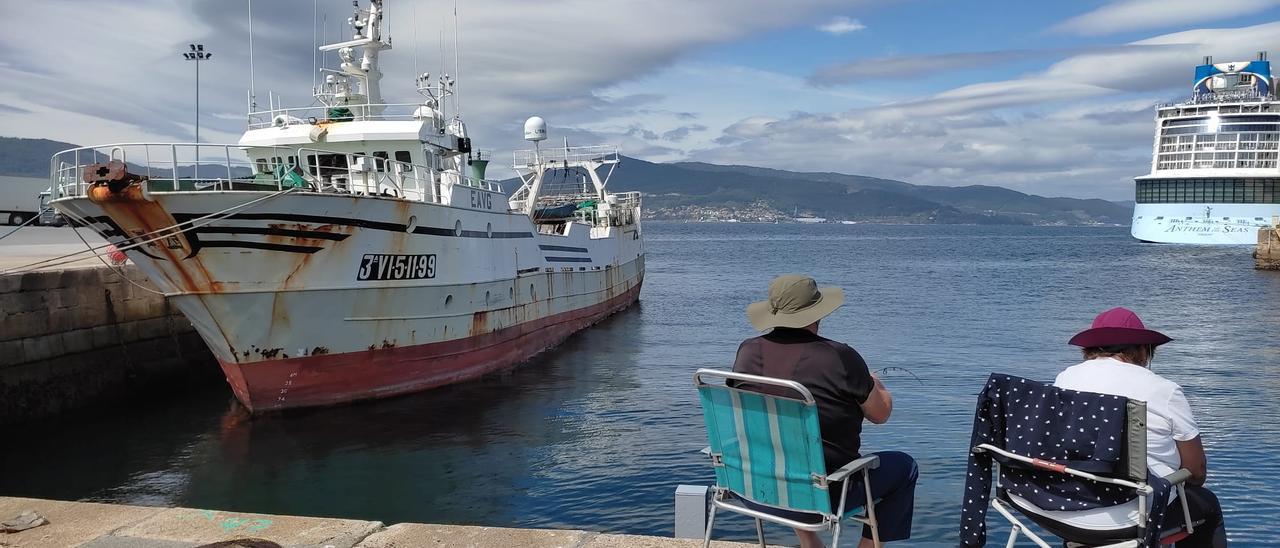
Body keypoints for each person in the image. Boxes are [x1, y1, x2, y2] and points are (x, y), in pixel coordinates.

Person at [731, 274, 917, 548]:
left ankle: (810, 543)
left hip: (752, 486)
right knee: (904, 467)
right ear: (816, 314)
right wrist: (875, 383)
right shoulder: (839, 357)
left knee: (788, 452)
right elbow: (881, 414)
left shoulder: (747, 351)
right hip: (819, 495)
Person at [1054, 307, 1226, 548]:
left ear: (1090, 348)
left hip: (1065, 511)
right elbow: (1196, 471)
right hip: (1134, 516)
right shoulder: (1163, 390)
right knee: (1206, 503)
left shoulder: (1065, 379)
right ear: (1143, 350)